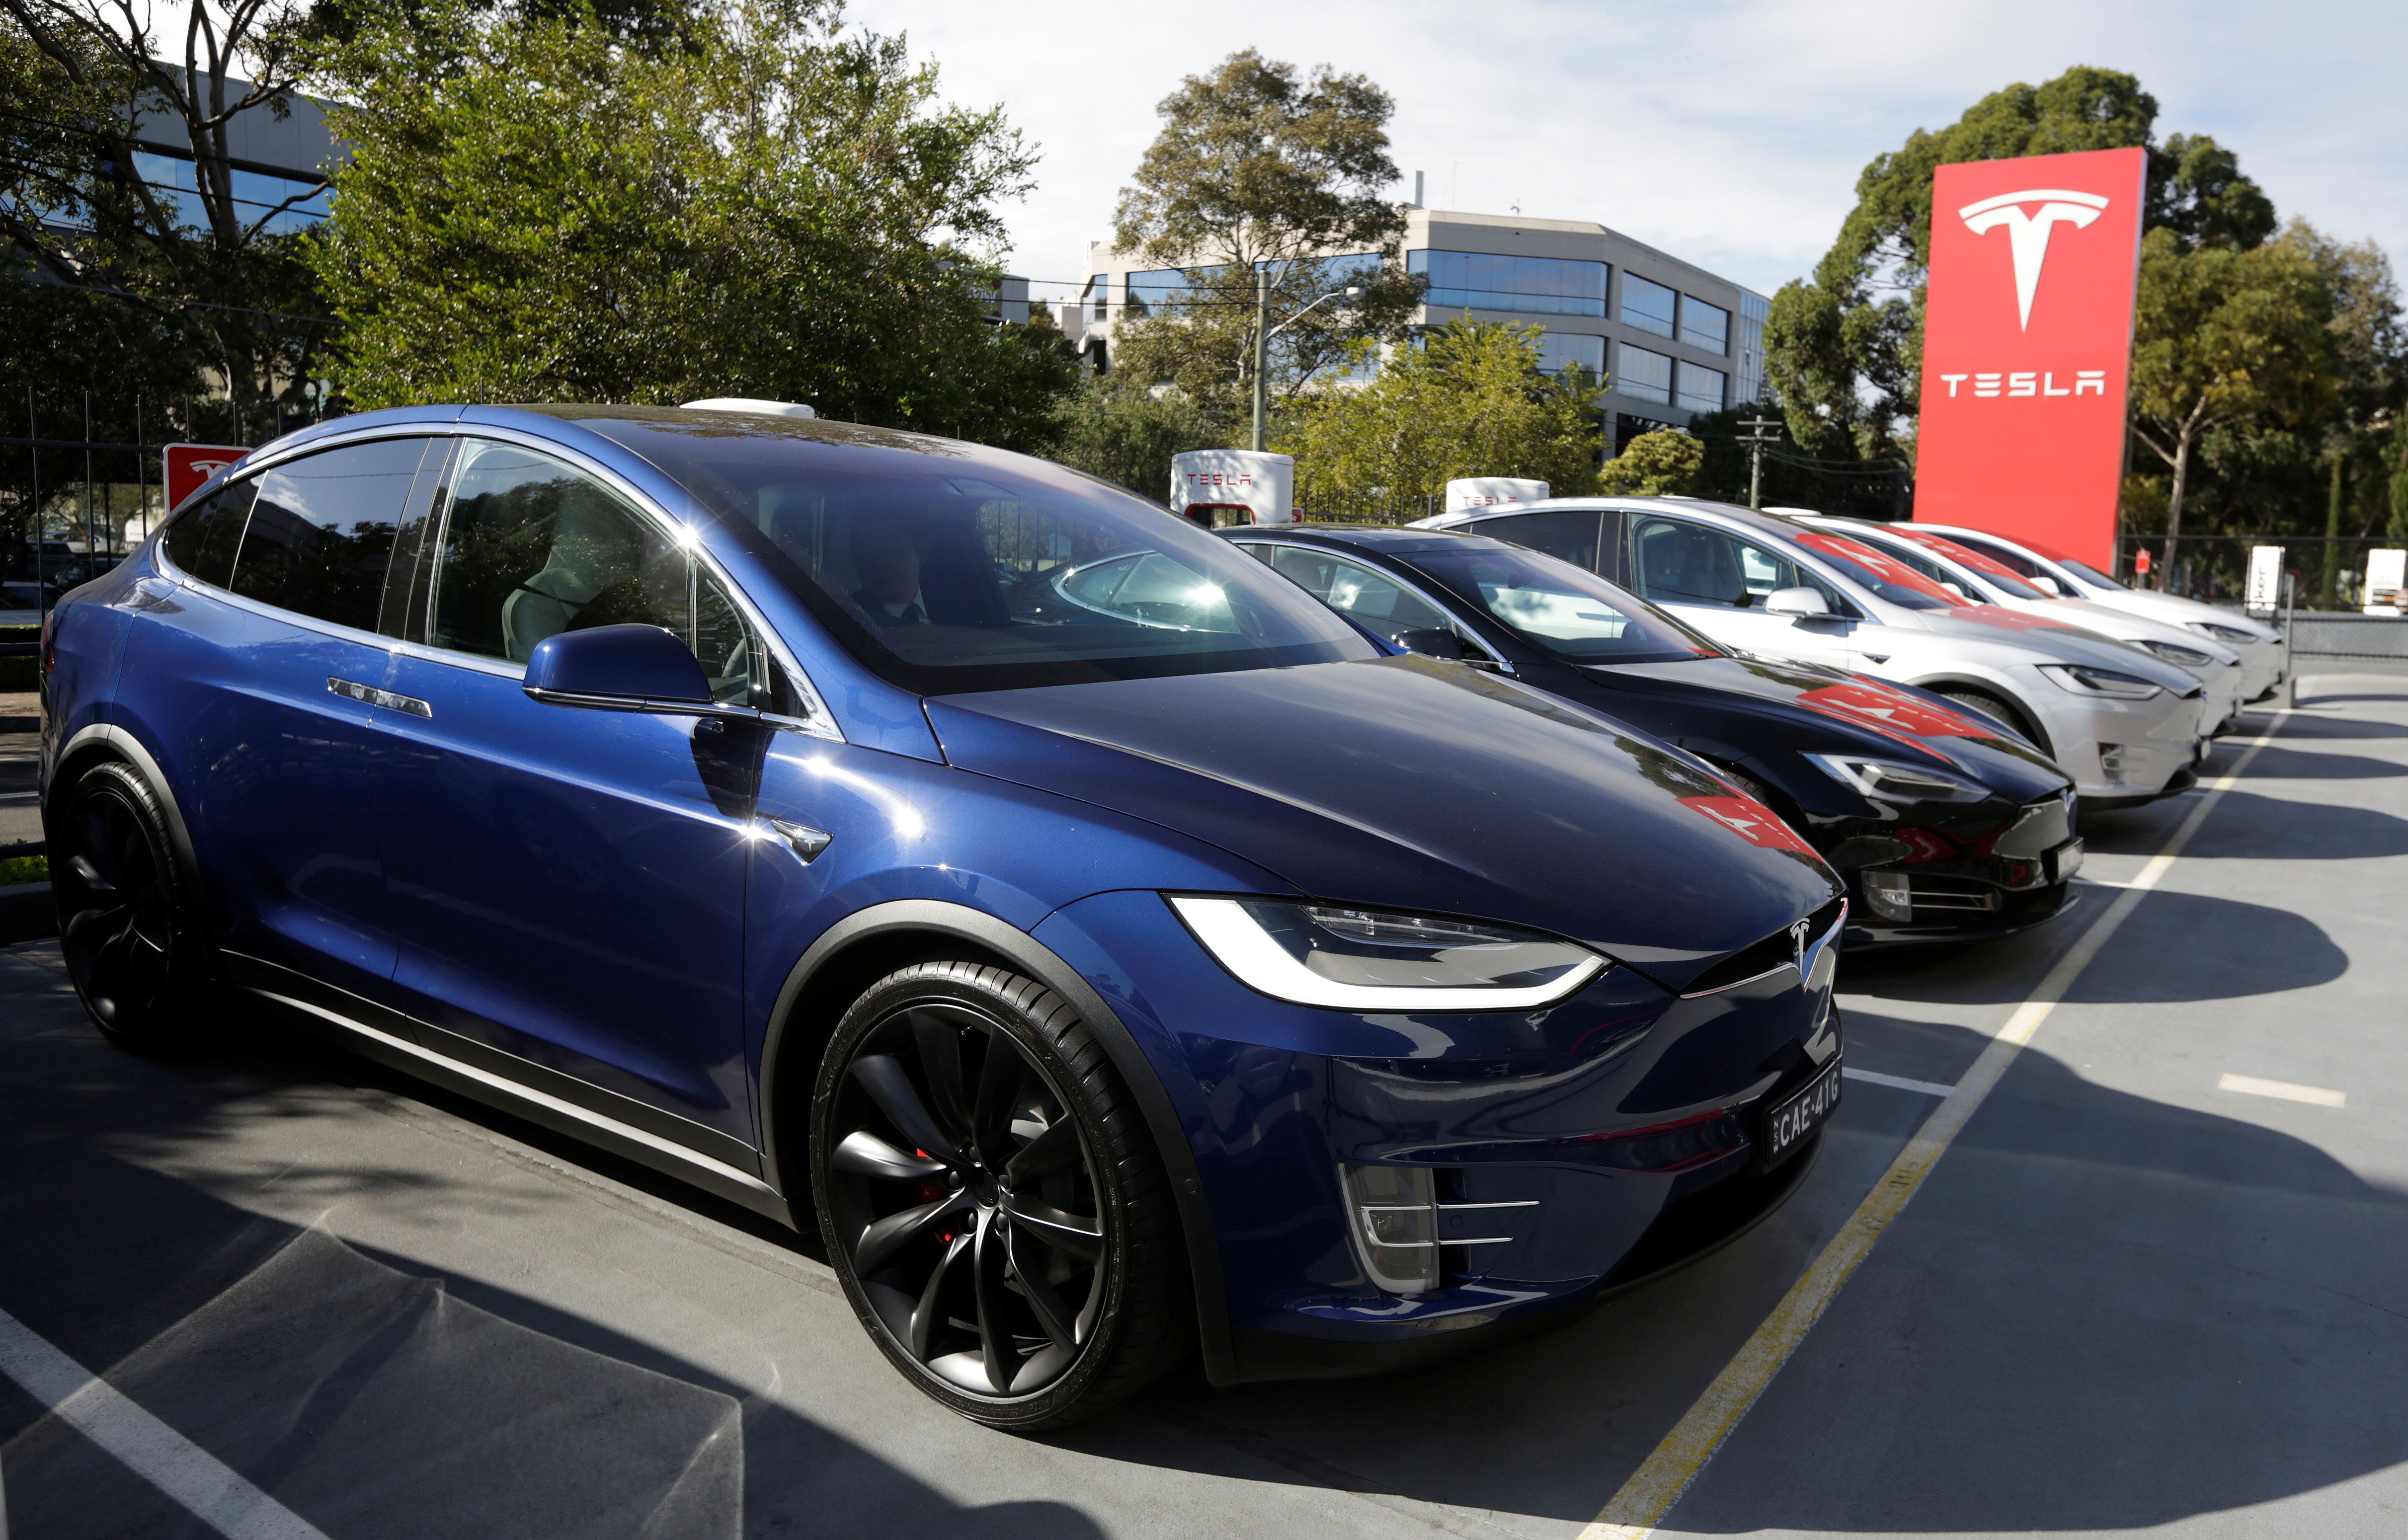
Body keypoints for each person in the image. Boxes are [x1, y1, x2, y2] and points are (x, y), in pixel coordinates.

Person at [850, 519, 930, 627]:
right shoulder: (848, 616)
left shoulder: (950, 606)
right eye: (866, 553)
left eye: (890, 550)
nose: (879, 563)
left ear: (922, 552)